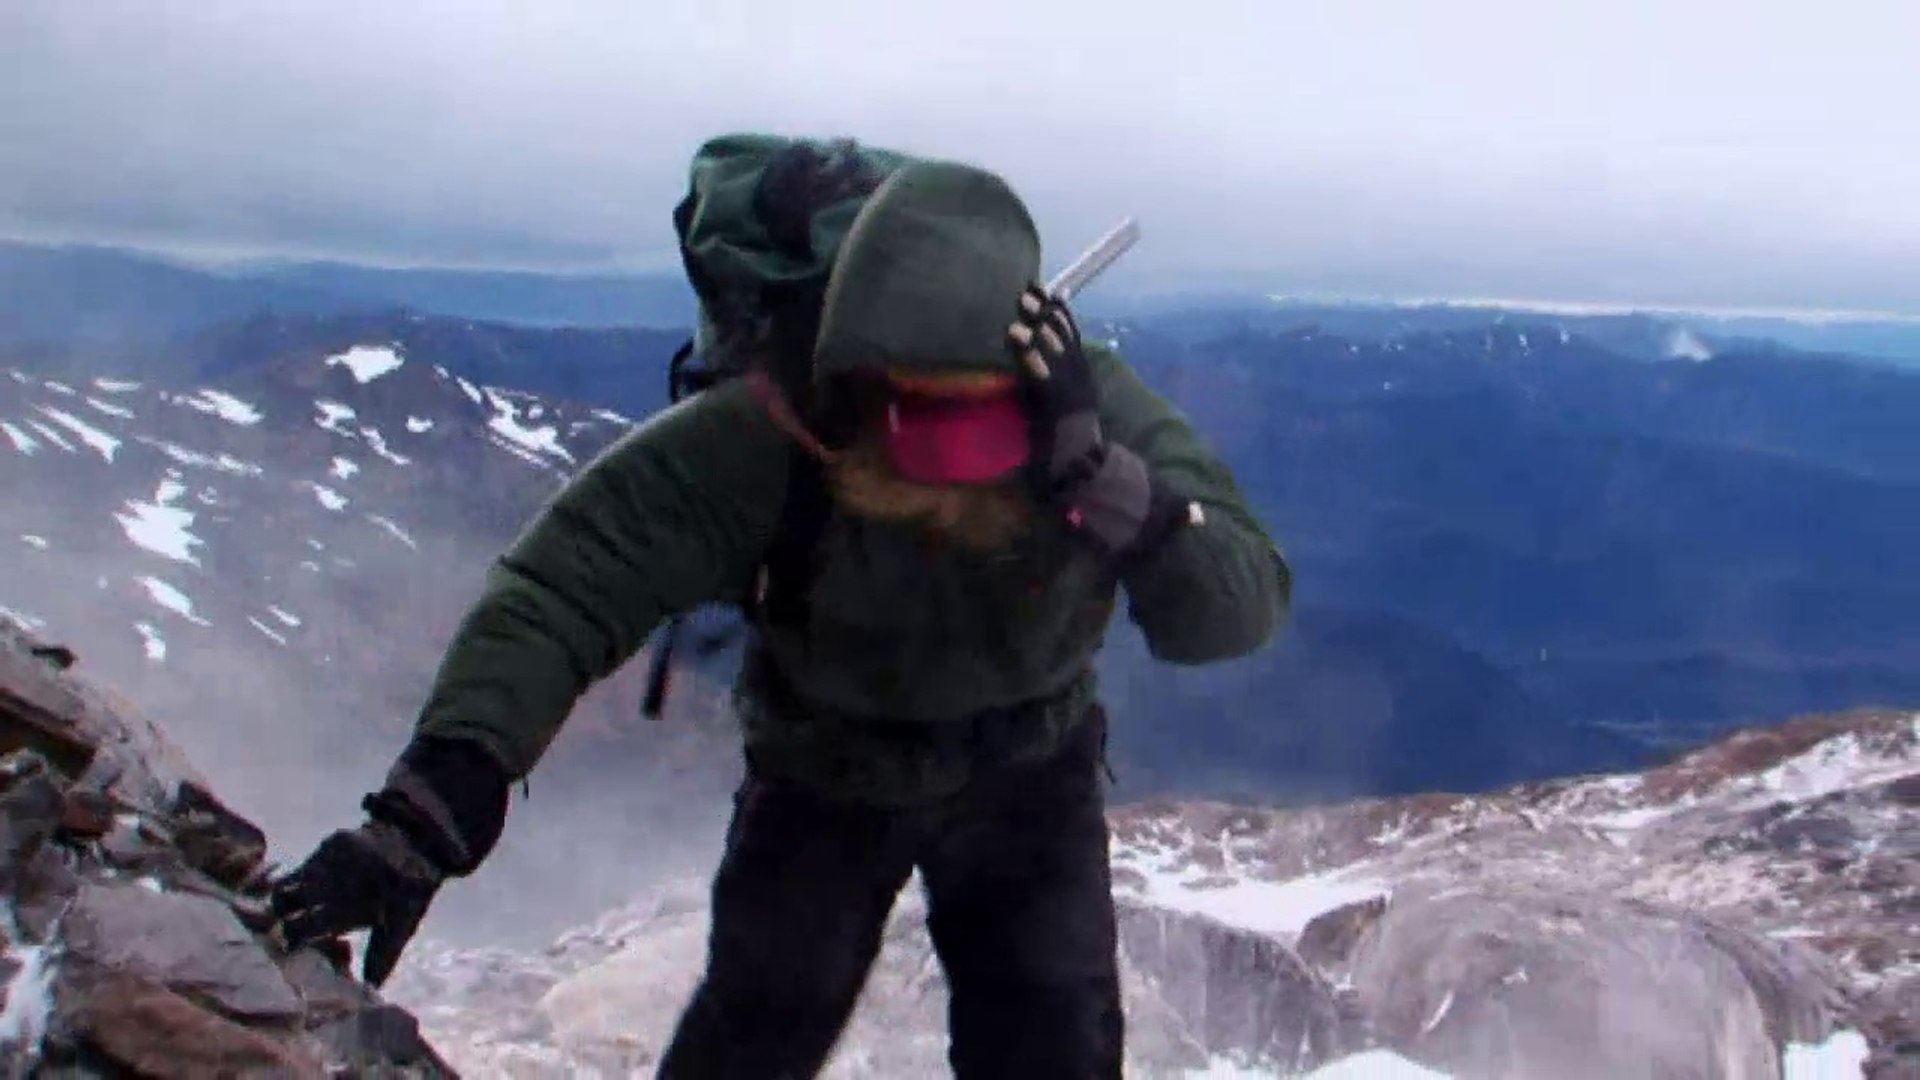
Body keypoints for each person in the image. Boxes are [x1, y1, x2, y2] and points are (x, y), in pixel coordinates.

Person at [268, 138, 1292, 1079]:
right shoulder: (772, 430)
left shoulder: (1083, 411)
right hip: (826, 769)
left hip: (1031, 766)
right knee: (761, 1024)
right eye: (911, 426)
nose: (941, 465)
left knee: (1049, 1043)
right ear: (848, 386)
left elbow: (1240, 607)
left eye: (972, 429)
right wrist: (432, 806)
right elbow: (567, 583)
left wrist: (1113, 490)